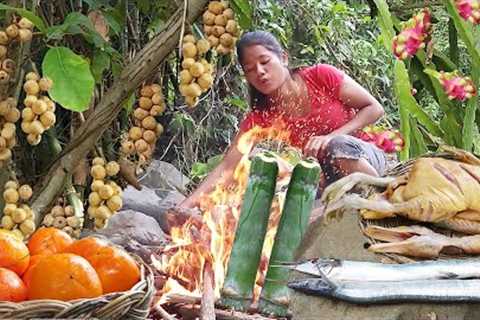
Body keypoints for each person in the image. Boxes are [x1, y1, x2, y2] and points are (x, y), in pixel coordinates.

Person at [177, 30, 387, 211]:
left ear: (284, 58)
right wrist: (184, 207)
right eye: (250, 70)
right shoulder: (261, 117)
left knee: (336, 146)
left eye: (265, 61)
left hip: (365, 157)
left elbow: (374, 108)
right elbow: (229, 167)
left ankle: (387, 201)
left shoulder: (320, 76)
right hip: (326, 181)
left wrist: (330, 137)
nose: (260, 72)